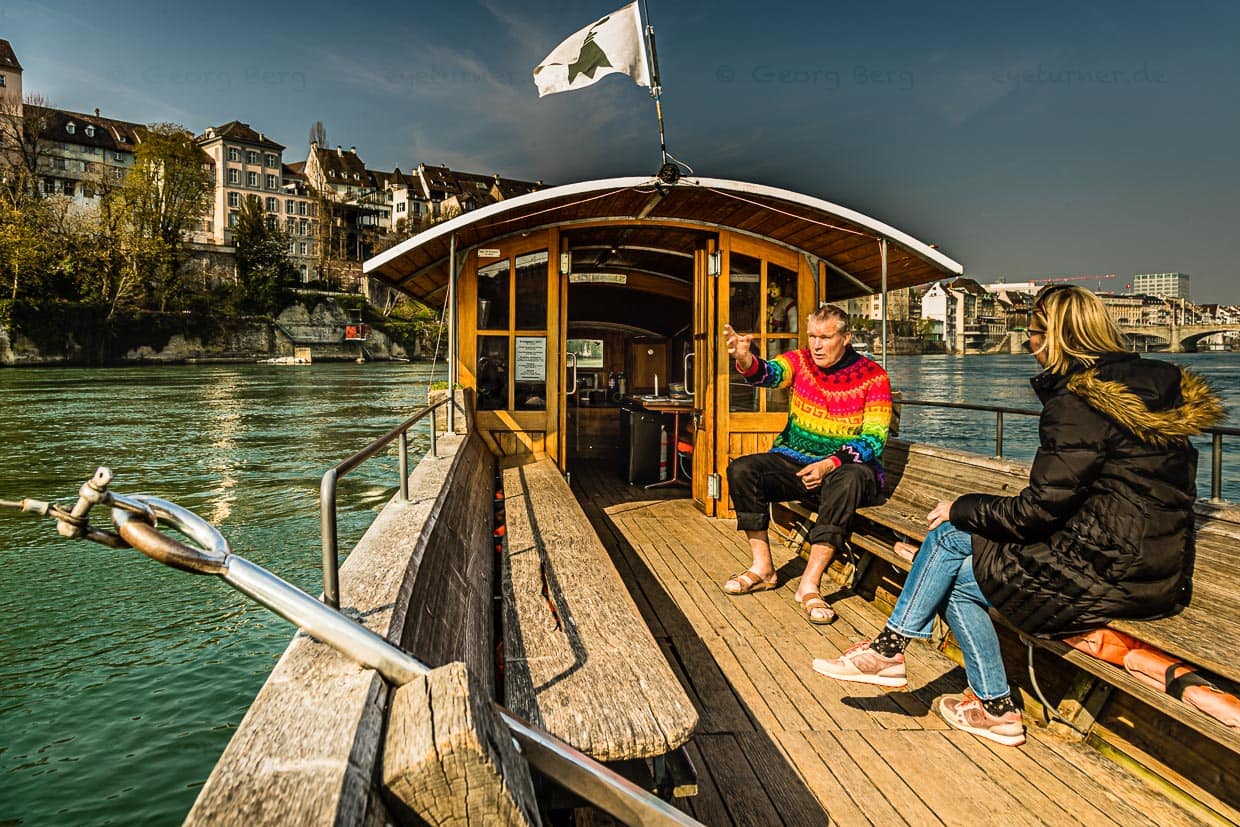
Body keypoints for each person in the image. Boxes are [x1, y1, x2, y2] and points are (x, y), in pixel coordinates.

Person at [813, 284, 1225, 746]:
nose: (1028, 343)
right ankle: (979, 701)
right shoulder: (1154, 389)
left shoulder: (1078, 403)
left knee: (950, 541)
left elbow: (1039, 508)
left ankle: (908, 659)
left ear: (1055, 338)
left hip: (1105, 573)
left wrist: (961, 507)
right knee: (952, 566)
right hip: (1153, 573)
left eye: (1031, 332)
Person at [721, 304, 892, 625]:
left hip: (850, 471)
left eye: (825, 337)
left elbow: (874, 439)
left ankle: (809, 585)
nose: (816, 345)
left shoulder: (874, 377)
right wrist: (744, 358)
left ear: (846, 337)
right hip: (798, 462)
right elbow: (768, 373)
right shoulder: (800, 361)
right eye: (812, 336)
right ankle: (763, 567)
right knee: (742, 469)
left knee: (849, 478)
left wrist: (830, 463)